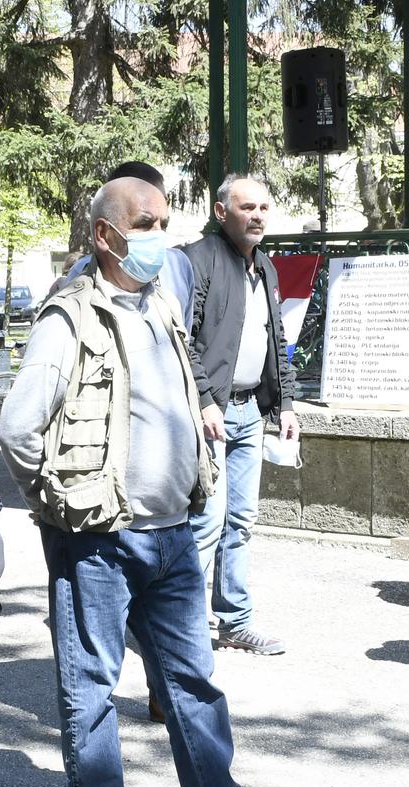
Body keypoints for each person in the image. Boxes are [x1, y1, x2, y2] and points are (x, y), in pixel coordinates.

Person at [0, 176, 300, 787]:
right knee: (92, 684)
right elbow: (17, 428)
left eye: (164, 222)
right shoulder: (67, 318)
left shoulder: (160, 305)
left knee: (193, 679)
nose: (157, 237)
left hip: (170, 530)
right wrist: (58, 502)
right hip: (99, 536)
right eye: (144, 224)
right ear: (104, 236)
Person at [182, 174, 300, 655]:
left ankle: (234, 622)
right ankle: (182, 625)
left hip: (252, 411)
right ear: (220, 211)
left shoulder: (266, 268)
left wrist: (287, 403)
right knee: (206, 523)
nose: (257, 216)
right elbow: (183, 340)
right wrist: (205, 398)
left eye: (264, 208)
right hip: (211, 413)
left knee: (241, 521)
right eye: (247, 207)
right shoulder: (197, 260)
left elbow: (277, 342)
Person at [58, 161, 194, 308]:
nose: (157, 233)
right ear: (103, 233)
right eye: (144, 223)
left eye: (163, 200)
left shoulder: (179, 266)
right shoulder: (80, 275)